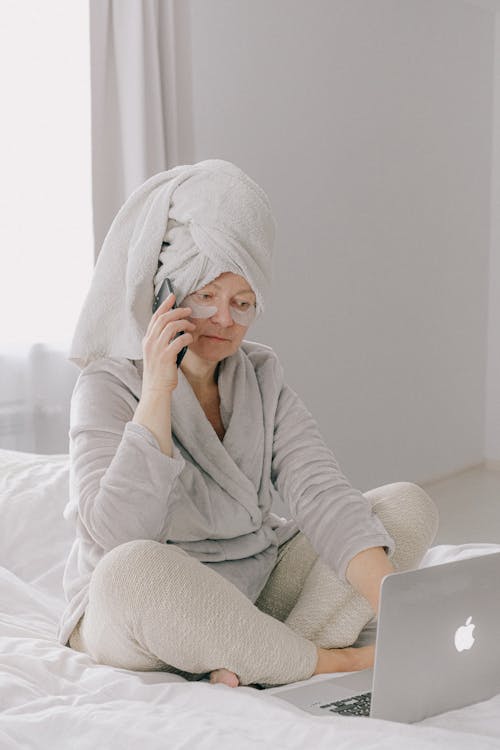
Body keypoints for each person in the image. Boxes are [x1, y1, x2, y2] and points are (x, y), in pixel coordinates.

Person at [59, 159, 439, 688]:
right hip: (147, 605)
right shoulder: (105, 384)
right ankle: (323, 662)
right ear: (165, 292)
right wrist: (157, 393)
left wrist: (407, 613)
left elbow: (321, 493)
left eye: (242, 303)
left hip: (252, 587)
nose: (224, 320)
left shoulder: (261, 375)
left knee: (404, 506)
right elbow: (121, 538)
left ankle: (261, 657)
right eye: (206, 295)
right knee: (129, 574)